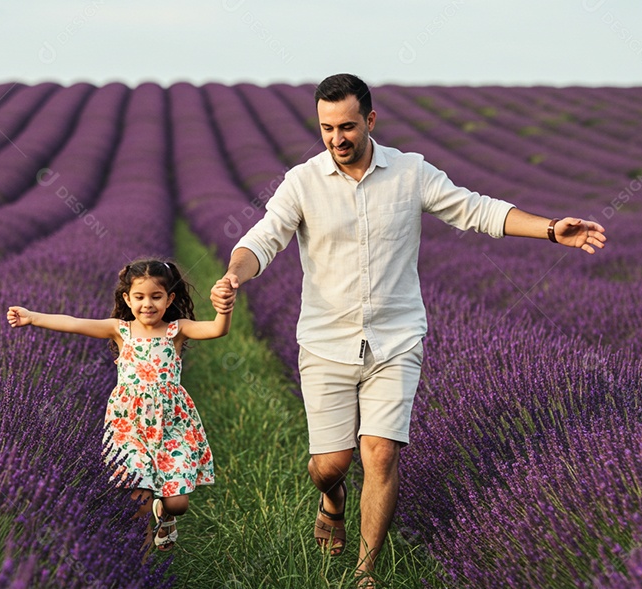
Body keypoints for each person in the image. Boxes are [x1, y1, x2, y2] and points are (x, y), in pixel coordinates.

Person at [210, 73, 607, 584]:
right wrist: (232, 276)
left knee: (380, 453)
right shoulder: (302, 182)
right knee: (330, 465)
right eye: (327, 128)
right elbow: (263, 238)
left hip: (396, 340)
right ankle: (332, 501)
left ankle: (366, 573)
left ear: (370, 120)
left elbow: (476, 210)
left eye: (347, 126)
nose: (337, 139)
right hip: (326, 341)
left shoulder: (411, 172)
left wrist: (551, 229)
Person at [7, 258, 233, 552]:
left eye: (156, 296)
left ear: (170, 299)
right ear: (127, 299)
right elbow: (74, 323)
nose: (147, 304)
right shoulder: (120, 330)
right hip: (129, 427)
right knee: (138, 500)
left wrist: (224, 309)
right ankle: (141, 563)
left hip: (170, 426)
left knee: (177, 503)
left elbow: (217, 329)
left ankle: (166, 516)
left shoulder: (177, 330)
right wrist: (32, 317)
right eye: (139, 297)